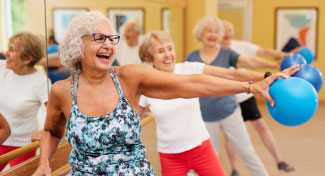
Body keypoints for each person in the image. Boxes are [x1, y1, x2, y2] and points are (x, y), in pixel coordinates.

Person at [31, 11, 288, 176]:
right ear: (78, 45)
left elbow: (191, 84)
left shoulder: (129, 77)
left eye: (112, 38)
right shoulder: (62, 91)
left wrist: (252, 86)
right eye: (99, 37)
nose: (109, 43)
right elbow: (52, 131)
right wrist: (44, 161)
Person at [137, 31, 299, 176]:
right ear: (148, 58)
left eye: (170, 48)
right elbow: (134, 123)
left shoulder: (189, 68)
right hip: (170, 156)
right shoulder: (145, 85)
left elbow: (230, 74)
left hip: (201, 149)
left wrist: (268, 75)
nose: (168, 55)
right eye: (160, 51)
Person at [185, 16, 284, 176]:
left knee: (248, 153)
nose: (213, 34)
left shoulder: (226, 52)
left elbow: (248, 62)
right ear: (201, 33)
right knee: (207, 159)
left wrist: (272, 66)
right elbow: (187, 86)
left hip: (230, 112)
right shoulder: (191, 58)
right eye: (209, 31)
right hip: (205, 117)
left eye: (216, 32)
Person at [221, 20, 295, 175]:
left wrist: (284, 56)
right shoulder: (217, 51)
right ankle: (234, 169)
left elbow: (263, 53)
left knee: (261, 126)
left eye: (230, 29)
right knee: (230, 136)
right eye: (223, 29)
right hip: (228, 97)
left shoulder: (240, 46)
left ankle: (279, 161)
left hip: (247, 94)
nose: (227, 33)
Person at [0, 31, 49, 171]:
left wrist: (46, 131)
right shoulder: (2, 68)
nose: (6, 53)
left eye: (12, 50)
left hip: (23, 146)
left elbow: (56, 113)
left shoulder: (40, 82)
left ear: (27, 59)